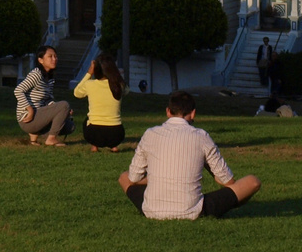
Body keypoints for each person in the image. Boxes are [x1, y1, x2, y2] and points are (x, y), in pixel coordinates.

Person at [119, 90, 262, 220]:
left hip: (151, 209)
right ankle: (228, 206)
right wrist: (207, 165)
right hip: (192, 210)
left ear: (168, 112)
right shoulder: (201, 136)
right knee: (252, 181)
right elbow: (228, 181)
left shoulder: (150, 134)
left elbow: (134, 178)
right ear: (193, 113)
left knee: (124, 177)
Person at [15, 45, 72, 146]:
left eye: (55, 56)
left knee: (69, 126)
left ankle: (34, 137)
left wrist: (61, 110)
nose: (54, 59)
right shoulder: (36, 74)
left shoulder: (49, 77)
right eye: (50, 57)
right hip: (27, 118)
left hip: (39, 115)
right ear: (41, 60)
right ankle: (51, 139)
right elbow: (18, 90)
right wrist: (30, 109)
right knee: (64, 104)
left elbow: (47, 99)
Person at [75, 52, 126, 152]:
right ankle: (114, 147)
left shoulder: (90, 84)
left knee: (87, 119)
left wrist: (89, 73)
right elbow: (127, 89)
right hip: (117, 134)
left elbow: (77, 93)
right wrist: (117, 75)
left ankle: (95, 146)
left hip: (93, 133)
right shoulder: (119, 86)